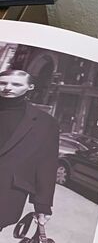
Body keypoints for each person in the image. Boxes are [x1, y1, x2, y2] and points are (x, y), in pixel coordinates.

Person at [0, 69, 57, 233]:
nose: (8, 88)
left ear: (30, 87)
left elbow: (46, 164)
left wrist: (43, 205)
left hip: (6, 193)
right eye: (2, 83)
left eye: (16, 84)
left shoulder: (45, 123)